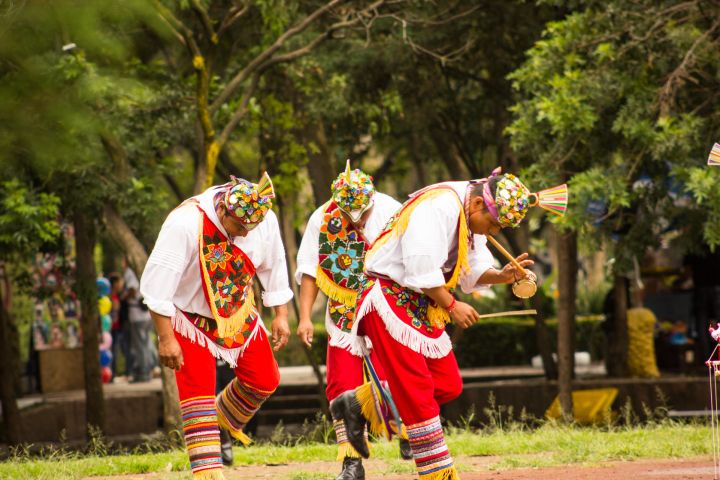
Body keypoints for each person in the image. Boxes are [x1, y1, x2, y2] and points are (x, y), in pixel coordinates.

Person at [332, 168, 566, 480]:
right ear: (481, 204)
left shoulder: (469, 216)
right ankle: (438, 474)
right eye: (495, 223)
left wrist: (502, 276)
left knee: (447, 384)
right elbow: (420, 266)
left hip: (421, 302)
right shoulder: (438, 206)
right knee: (417, 391)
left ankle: (359, 405)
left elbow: (470, 270)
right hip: (389, 298)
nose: (494, 231)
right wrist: (452, 305)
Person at [140, 173, 293, 480]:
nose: (248, 234)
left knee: (265, 378)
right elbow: (157, 289)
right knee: (197, 395)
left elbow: (274, 263)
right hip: (189, 317)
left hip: (237, 309)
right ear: (223, 210)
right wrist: (166, 338)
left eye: (253, 227)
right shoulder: (185, 223)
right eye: (240, 227)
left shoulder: (262, 216)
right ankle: (208, 472)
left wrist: (281, 314)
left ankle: (217, 424)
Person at [295, 161, 404, 480]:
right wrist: (304, 318)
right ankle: (351, 461)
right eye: (347, 215)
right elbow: (310, 270)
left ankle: (407, 432)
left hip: (387, 305)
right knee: (341, 385)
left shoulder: (393, 210)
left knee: (395, 374)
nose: (355, 221)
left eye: (362, 214)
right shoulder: (320, 218)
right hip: (343, 311)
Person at [124, 262, 155, 382]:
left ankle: (143, 372)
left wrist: (124, 297)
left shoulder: (130, 271)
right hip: (147, 314)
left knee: (140, 345)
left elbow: (132, 289)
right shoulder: (145, 266)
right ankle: (147, 369)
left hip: (137, 315)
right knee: (146, 343)